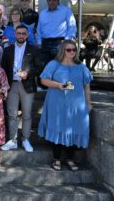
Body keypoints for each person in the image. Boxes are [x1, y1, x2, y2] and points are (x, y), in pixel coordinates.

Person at [38, 40, 92, 171]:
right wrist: (58, 85)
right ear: (63, 50)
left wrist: (88, 103)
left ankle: (70, 159)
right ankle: (56, 159)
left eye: (74, 50)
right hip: (57, 103)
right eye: (69, 50)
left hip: (76, 105)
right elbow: (43, 80)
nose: (72, 52)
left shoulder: (81, 67)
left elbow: (86, 86)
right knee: (57, 127)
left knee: (73, 129)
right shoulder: (54, 64)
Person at [1, 25, 41, 153]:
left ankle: (25, 139)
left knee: (27, 114)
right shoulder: (7, 50)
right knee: (11, 114)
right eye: (19, 33)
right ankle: (12, 140)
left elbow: (38, 68)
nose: (21, 36)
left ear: (27, 35)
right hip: (12, 85)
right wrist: (4, 86)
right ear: (15, 34)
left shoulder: (33, 50)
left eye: (24, 33)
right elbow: (3, 69)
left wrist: (27, 73)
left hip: (27, 85)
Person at [37, 0, 77, 67]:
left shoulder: (66, 11)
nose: (51, 2)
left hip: (59, 43)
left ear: (58, 1)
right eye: (49, 0)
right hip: (45, 44)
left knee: (60, 67)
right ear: (47, 2)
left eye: (54, 0)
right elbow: (39, 29)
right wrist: (39, 42)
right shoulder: (43, 13)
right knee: (45, 68)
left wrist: (66, 41)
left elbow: (72, 26)